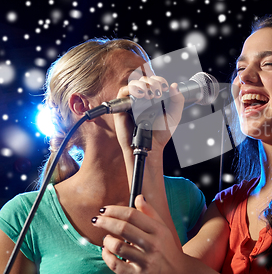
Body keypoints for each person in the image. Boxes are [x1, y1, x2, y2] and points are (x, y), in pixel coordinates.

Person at [90, 16, 272, 273]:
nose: (245, 78)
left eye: (269, 64)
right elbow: (165, 265)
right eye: (240, 69)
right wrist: (149, 148)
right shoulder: (227, 206)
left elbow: (172, 265)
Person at [0, 38, 206, 274]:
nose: (155, 88)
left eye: (153, 78)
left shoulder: (186, 198)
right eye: (136, 81)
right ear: (81, 105)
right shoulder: (23, 216)